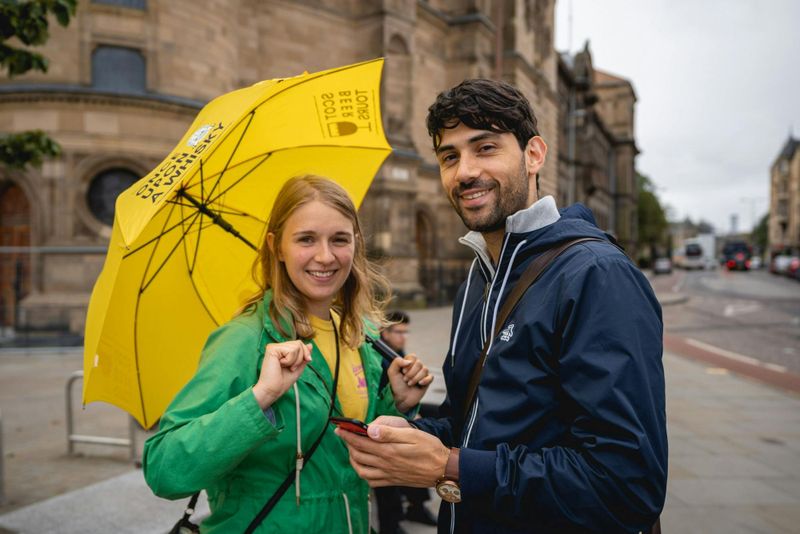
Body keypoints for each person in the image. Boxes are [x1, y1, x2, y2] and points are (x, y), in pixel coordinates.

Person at [336, 79, 667, 533]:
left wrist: (450, 466)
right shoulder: (477, 278)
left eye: (485, 148)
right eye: (449, 156)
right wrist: (415, 436)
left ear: (534, 155)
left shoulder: (595, 275)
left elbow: (628, 484)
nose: (465, 171)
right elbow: (473, 426)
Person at [143, 175, 433, 533]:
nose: (325, 256)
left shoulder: (360, 336)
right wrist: (260, 398)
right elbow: (164, 470)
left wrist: (397, 404)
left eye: (339, 239)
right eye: (306, 239)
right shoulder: (243, 339)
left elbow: (351, 452)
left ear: (356, 244)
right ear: (276, 246)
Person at [374, 311, 437, 533]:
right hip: (375, 415)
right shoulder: (378, 353)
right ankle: (392, 522)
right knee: (402, 449)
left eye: (405, 332)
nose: (403, 337)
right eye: (398, 332)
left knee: (438, 417)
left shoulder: (396, 351)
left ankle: (416, 505)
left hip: (393, 407)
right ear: (385, 332)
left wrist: (409, 410)